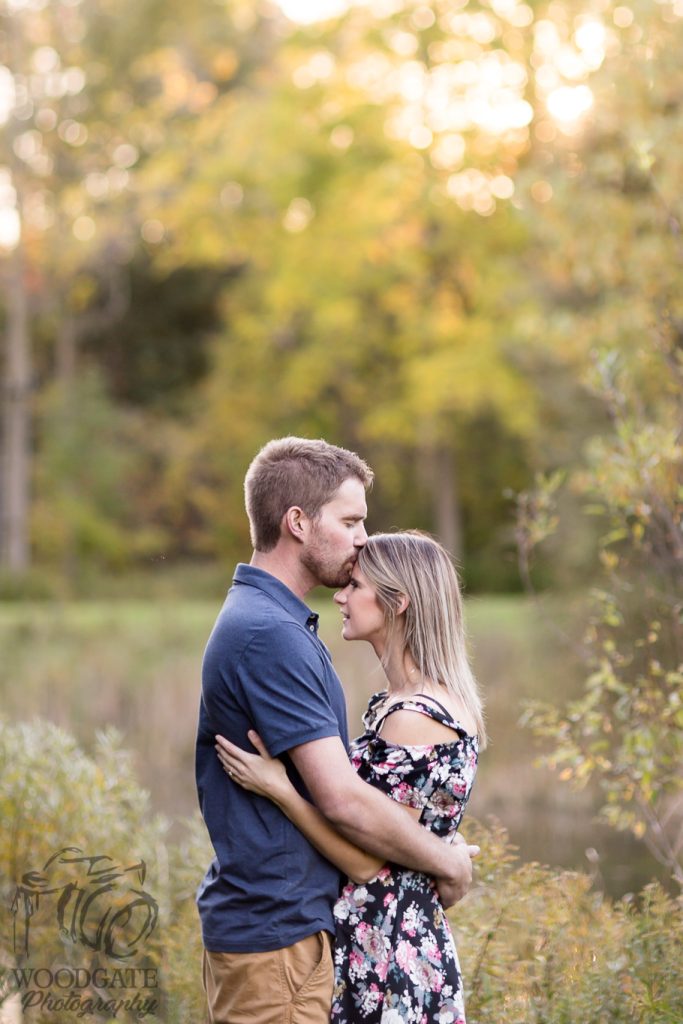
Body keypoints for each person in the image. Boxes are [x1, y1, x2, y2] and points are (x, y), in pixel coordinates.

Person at [195, 437, 478, 1024]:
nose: (361, 539)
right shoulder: (269, 634)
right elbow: (344, 800)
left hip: (297, 930)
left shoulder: (278, 625)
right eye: (350, 520)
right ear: (297, 522)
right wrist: (447, 863)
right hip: (276, 934)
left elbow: (378, 815)